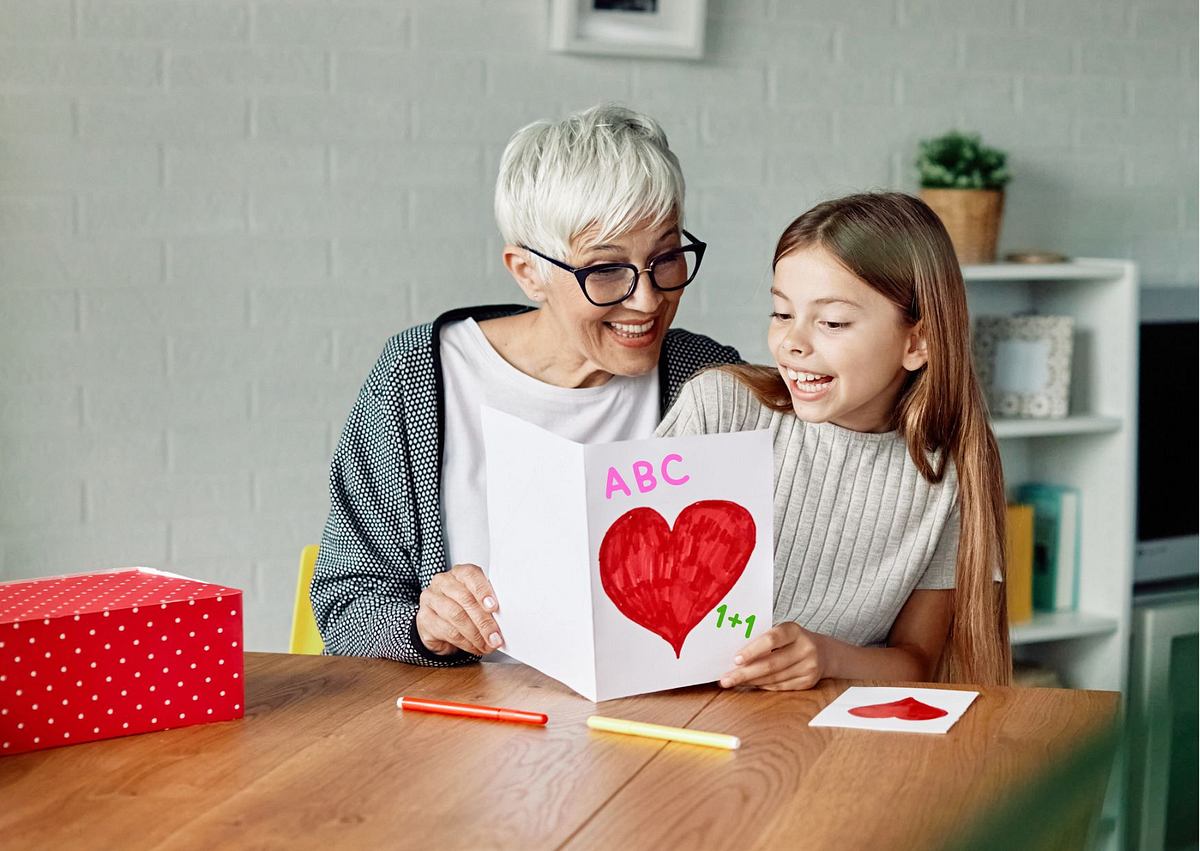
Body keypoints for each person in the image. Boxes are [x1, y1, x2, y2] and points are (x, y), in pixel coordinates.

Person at [311, 104, 740, 666]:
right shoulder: (422, 375)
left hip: (654, 724)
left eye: (665, 258)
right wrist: (424, 625)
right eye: (606, 270)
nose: (649, 299)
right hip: (470, 728)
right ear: (526, 270)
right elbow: (344, 603)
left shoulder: (704, 378)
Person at [657, 192, 1010, 689]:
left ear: (917, 342)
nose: (793, 342)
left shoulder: (949, 475)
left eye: (832, 322)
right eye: (782, 313)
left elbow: (916, 663)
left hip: (815, 734)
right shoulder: (720, 408)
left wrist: (824, 657)